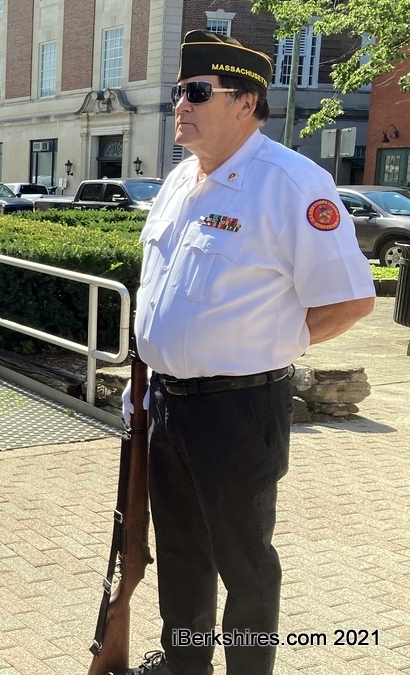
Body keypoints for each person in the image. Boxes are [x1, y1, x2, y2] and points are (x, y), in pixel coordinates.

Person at [120, 30, 375, 675]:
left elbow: (350, 299)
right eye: (179, 92)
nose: (181, 104)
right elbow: (160, 291)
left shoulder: (291, 183)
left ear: (245, 103)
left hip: (240, 407)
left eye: (196, 92)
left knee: (244, 563)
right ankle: (185, 664)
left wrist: (272, 342)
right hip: (164, 402)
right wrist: (144, 373)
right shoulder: (180, 181)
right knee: (180, 550)